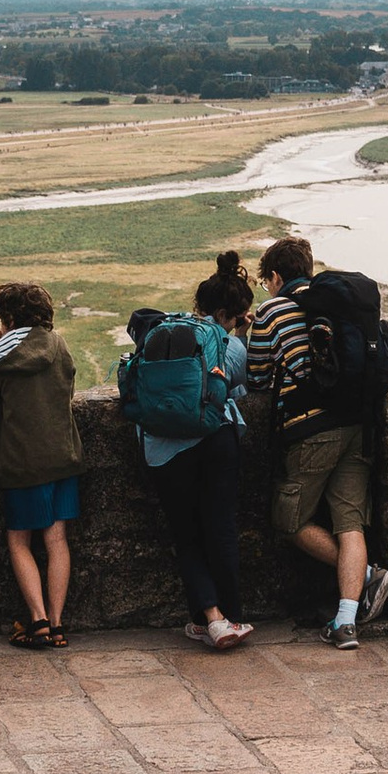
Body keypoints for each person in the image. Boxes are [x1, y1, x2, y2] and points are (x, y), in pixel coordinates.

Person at [249, 238, 388, 650]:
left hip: (311, 431)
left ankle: (367, 576)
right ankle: (346, 621)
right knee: (350, 522)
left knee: (289, 521)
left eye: (267, 281)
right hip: (357, 425)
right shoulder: (336, 305)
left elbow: (258, 377)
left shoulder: (273, 310)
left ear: (275, 276)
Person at [121, 271, 256, 651]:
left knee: (187, 534)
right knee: (221, 528)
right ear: (233, 312)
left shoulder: (165, 330)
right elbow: (237, 386)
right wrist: (239, 336)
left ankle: (208, 619)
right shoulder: (228, 344)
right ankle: (226, 617)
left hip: (164, 447)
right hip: (216, 439)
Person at [0, 279, 82, 648]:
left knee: (19, 540)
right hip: (62, 454)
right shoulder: (58, 344)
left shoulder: (0, 353)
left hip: (22, 459)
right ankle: (58, 621)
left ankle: (37, 622)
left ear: (8, 318)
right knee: (56, 540)